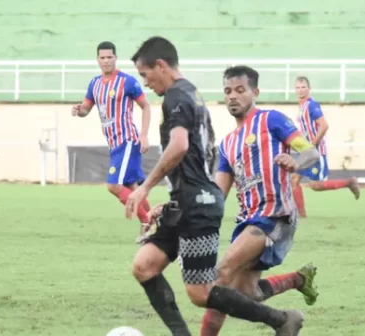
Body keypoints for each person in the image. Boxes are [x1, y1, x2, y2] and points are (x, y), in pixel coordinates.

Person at [125, 36, 307, 336]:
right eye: (228, 91)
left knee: (206, 287)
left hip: (234, 211)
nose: (145, 84)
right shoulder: (200, 105)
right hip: (194, 203)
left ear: (161, 66)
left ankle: (280, 320)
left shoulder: (178, 97)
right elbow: (206, 173)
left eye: (145, 75)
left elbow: (180, 146)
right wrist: (172, 202)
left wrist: (144, 187)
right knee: (145, 266)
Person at [196, 66, 321, 336]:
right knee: (247, 294)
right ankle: (296, 284)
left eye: (240, 90)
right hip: (248, 221)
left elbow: (310, 152)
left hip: (274, 217)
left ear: (255, 92)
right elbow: (217, 194)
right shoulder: (227, 144)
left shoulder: (271, 120)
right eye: (228, 91)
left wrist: (295, 162)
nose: (233, 96)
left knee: (221, 276)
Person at [71, 41, 152, 242]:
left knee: (113, 185)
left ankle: (147, 224)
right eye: (102, 57)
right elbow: (86, 109)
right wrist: (78, 110)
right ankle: (159, 222)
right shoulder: (95, 84)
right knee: (132, 187)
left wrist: (143, 134)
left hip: (127, 141)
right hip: (114, 145)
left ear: (116, 58)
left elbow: (146, 106)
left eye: (109, 57)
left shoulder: (127, 82)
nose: (106, 61)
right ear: (97, 59)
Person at [292, 76, 360, 218]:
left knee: (315, 186)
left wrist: (313, 143)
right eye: (297, 87)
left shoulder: (311, 105)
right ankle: (302, 215)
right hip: (305, 150)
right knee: (293, 179)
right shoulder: (301, 106)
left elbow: (324, 126)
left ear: (309, 89)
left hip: (315, 151)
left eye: (303, 87)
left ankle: (349, 182)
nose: (300, 90)